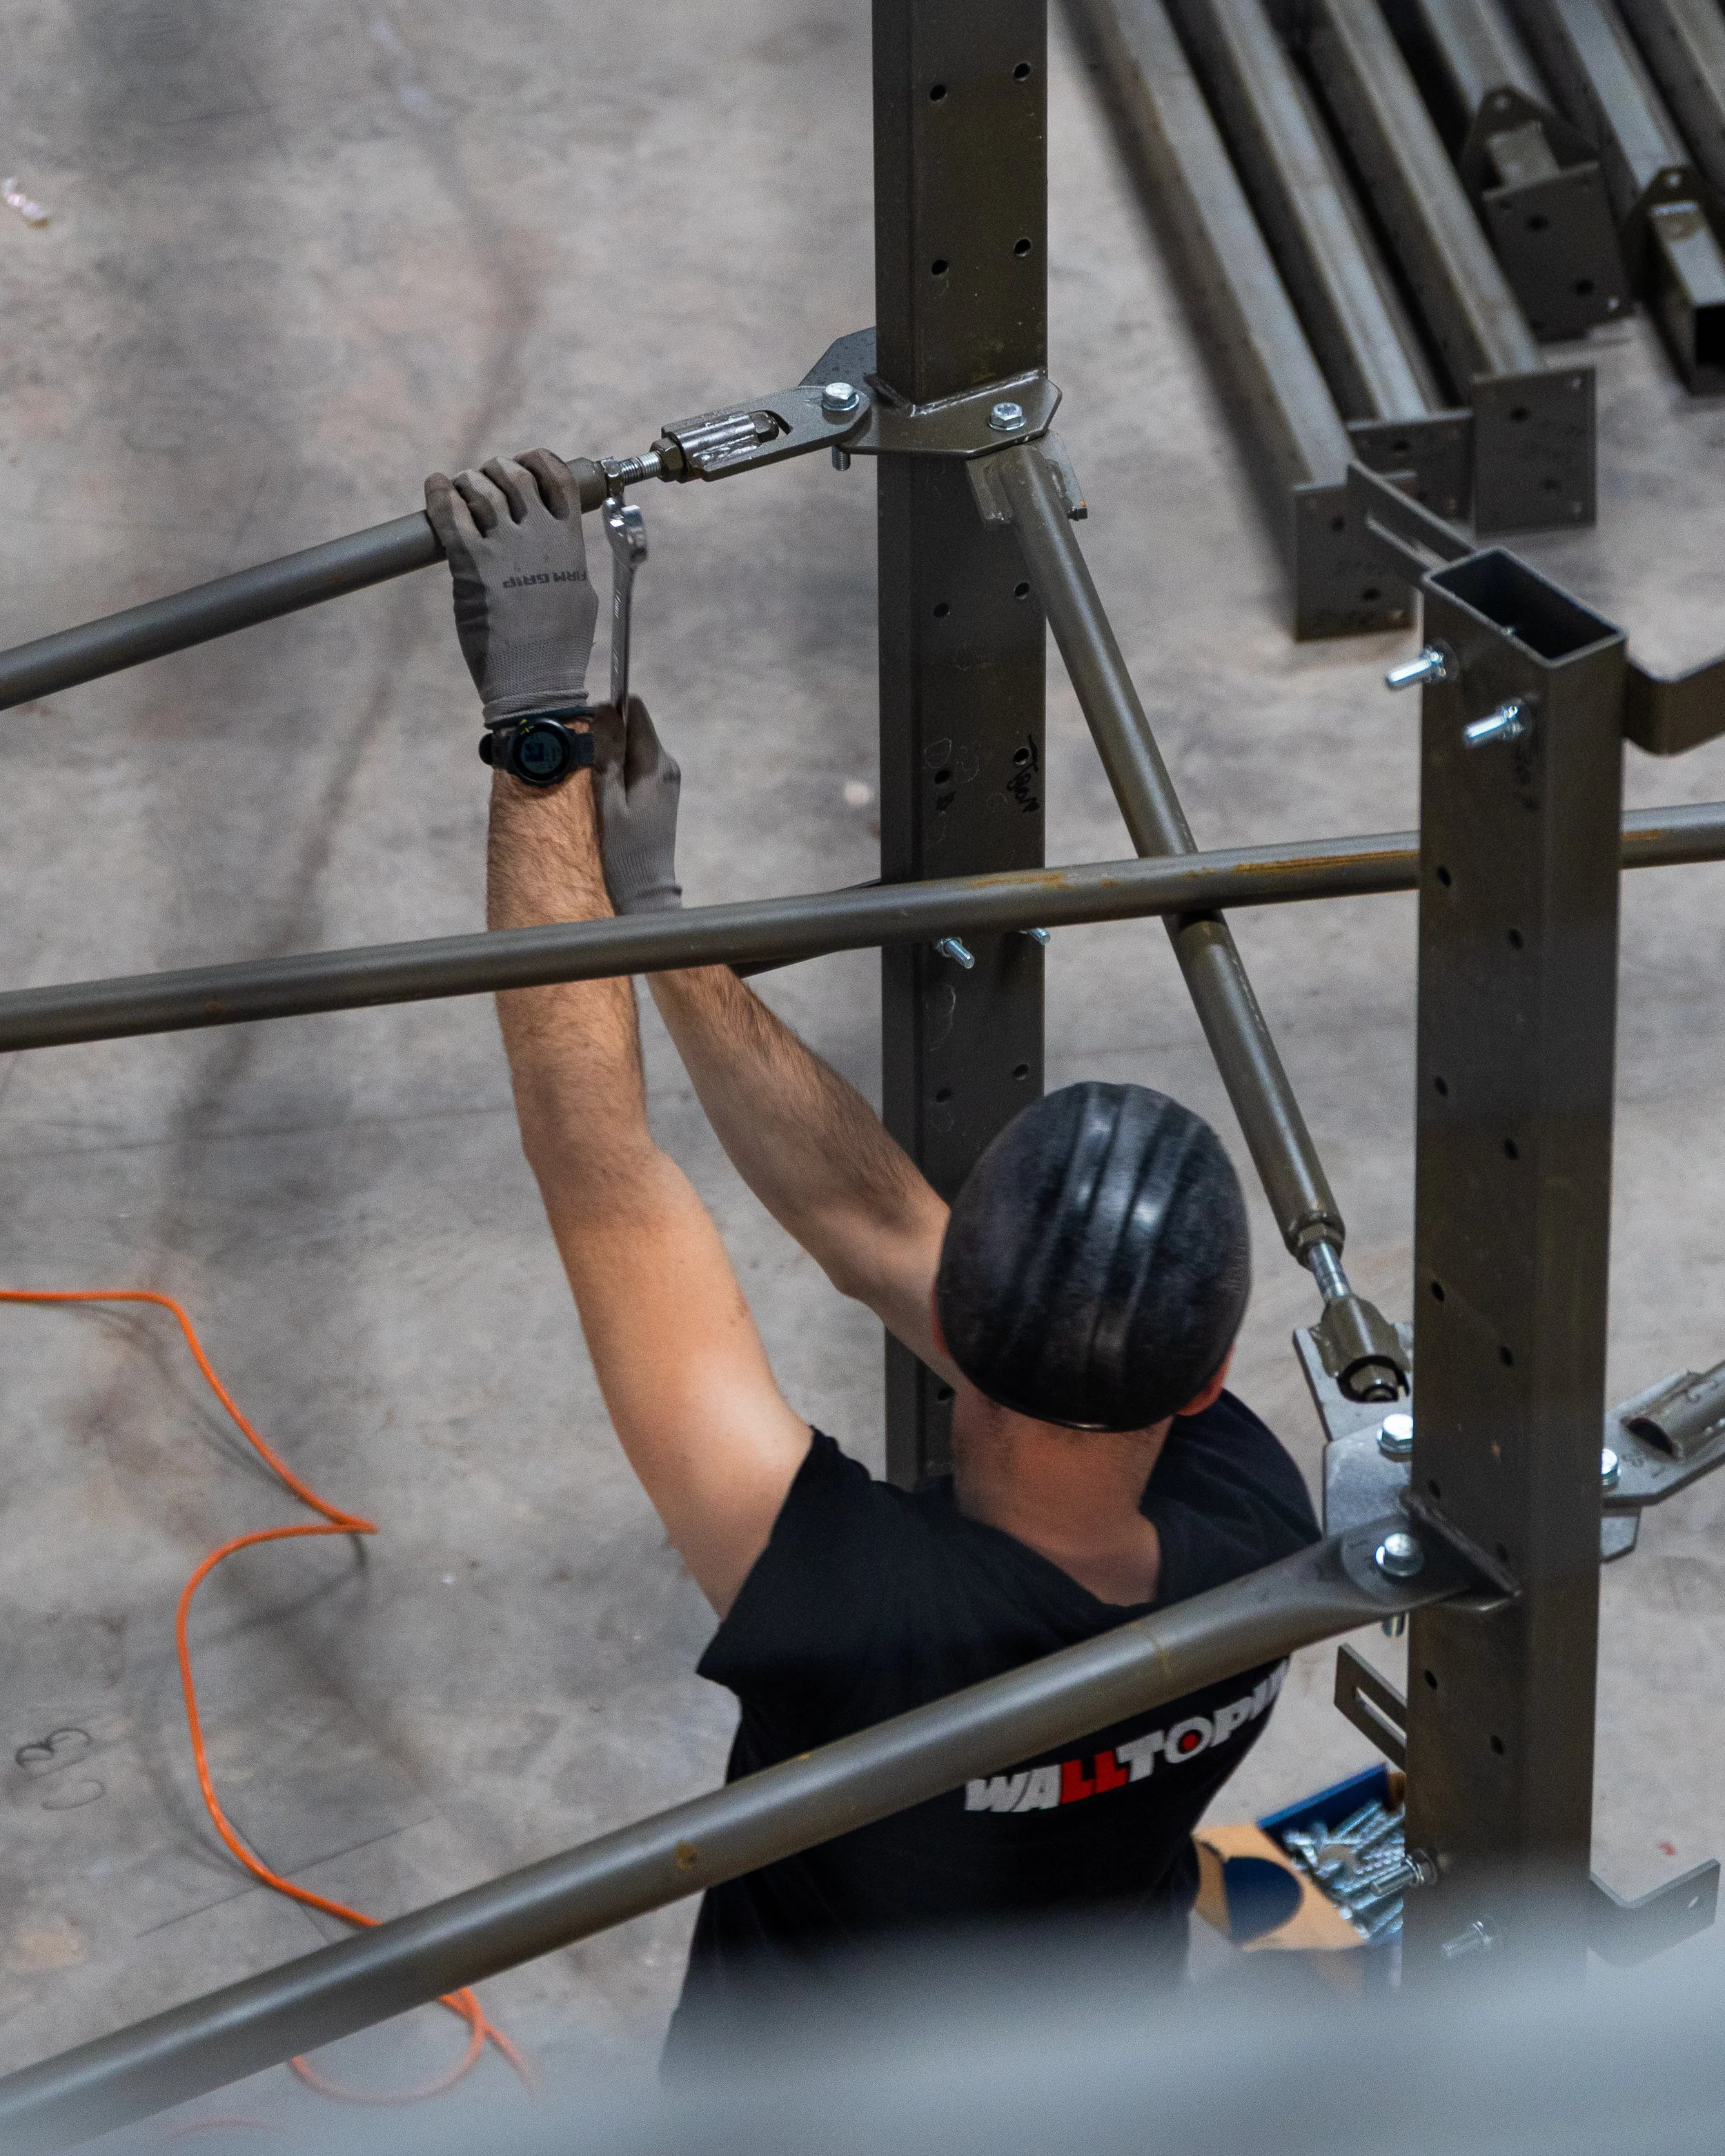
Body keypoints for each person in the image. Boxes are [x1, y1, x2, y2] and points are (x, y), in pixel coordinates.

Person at [424, 447, 1321, 2055]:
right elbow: (866, 1220)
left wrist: (536, 742)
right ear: (1203, 1381)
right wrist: (664, 920)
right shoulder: (1256, 1531)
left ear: (956, 1318)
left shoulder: (865, 1620)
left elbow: (606, 1175)